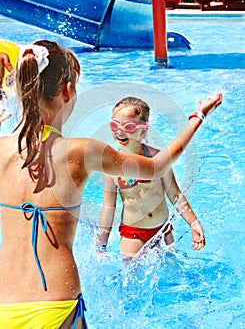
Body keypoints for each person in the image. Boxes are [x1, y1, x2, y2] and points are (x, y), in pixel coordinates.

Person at [0, 40, 222, 328]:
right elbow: (158, 166)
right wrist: (198, 117)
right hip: (56, 301)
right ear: (67, 91)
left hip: (4, 301)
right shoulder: (81, 150)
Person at [96, 97, 208, 261]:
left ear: (143, 130)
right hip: (132, 232)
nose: (120, 131)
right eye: (114, 125)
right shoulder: (110, 167)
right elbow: (108, 207)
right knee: (131, 279)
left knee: (173, 275)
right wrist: (101, 247)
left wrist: (193, 223)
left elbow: (174, 194)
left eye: (128, 126)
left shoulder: (157, 159)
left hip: (162, 230)